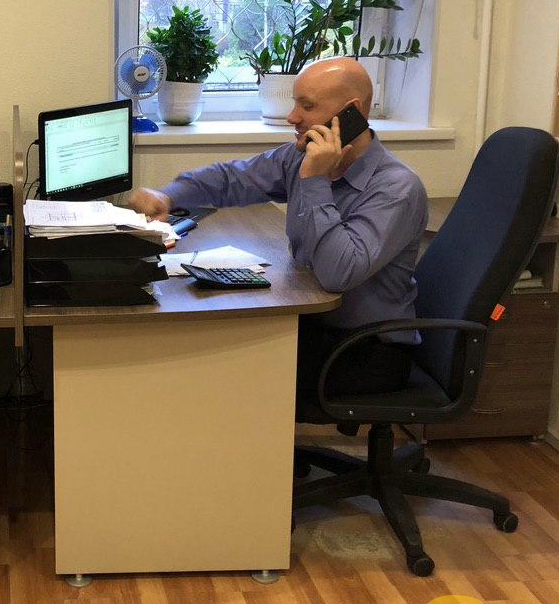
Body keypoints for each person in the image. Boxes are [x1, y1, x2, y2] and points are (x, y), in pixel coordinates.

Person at [129, 58, 427, 397]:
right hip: (310, 327)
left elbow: (337, 274)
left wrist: (315, 180)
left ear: (353, 112)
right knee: (201, 347)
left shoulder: (397, 189)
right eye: (295, 103)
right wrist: (168, 195)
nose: (292, 117)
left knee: (221, 375)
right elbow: (233, 179)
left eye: (307, 106)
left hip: (364, 351)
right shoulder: (299, 157)